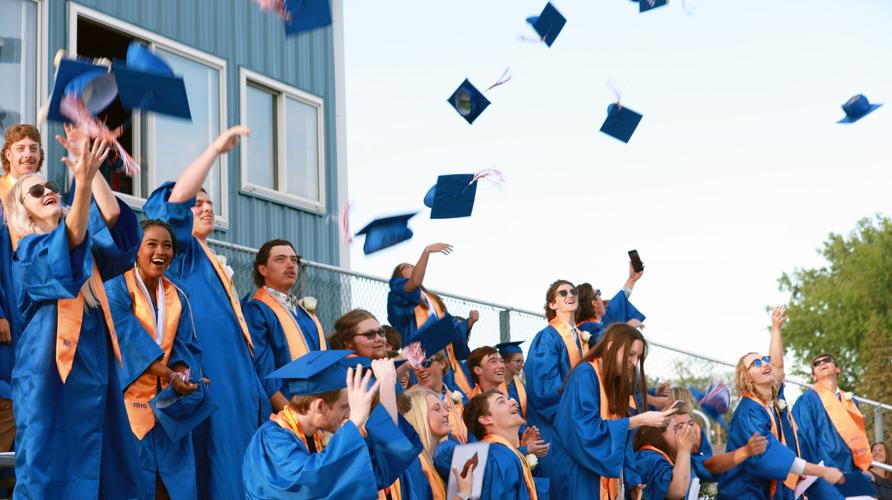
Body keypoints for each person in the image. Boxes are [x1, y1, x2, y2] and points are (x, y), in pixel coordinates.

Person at [8, 132, 144, 497]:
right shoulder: (28, 254)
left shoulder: (89, 248)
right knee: (48, 475)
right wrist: (81, 184)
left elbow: (113, 219)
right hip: (49, 380)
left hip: (97, 376)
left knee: (108, 474)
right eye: (36, 192)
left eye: (52, 186)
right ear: (24, 211)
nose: (48, 192)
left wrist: (89, 168)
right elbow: (68, 242)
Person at [143, 125, 265, 499]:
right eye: (198, 204)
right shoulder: (180, 254)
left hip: (240, 379)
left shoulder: (212, 259)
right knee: (219, 468)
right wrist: (214, 150)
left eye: (209, 203)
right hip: (209, 374)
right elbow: (177, 200)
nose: (206, 207)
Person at [106, 219, 204, 500]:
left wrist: (183, 375)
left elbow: (185, 345)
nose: (160, 251)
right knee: (131, 486)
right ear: (136, 249)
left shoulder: (178, 294)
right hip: (127, 406)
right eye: (151, 244)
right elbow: (129, 342)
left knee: (173, 488)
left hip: (168, 408)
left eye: (167, 246)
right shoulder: (117, 287)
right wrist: (171, 375)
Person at [243, 352, 419, 499]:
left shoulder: (319, 440)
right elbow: (308, 485)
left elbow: (378, 467)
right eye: (345, 406)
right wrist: (355, 422)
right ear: (320, 406)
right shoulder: (271, 440)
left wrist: (387, 387)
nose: (348, 414)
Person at [718, 307, 844, 499]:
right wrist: (822, 471)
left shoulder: (774, 399)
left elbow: (777, 367)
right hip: (745, 494)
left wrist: (776, 328)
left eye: (764, 359)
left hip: (771, 490)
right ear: (747, 377)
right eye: (756, 363)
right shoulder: (748, 412)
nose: (764, 363)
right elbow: (770, 455)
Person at [548, 324, 674, 499]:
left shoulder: (613, 383)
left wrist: (631, 480)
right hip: (578, 476)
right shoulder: (585, 375)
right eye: (630, 354)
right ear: (610, 346)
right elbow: (584, 431)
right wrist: (639, 420)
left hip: (600, 478)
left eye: (638, 357)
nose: (634, 362)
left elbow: (620, 441)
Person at [245, 239, 328, 413]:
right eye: (280, 259)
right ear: (262, 269)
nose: (290, 265)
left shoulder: (306, 314)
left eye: (294, 260)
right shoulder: (257, 310)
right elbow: (264, 373)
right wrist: (294, 417)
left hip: (318, 410)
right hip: (284, 414)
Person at [387, 243, 477, 396]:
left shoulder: (432, 299)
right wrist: (427, 251)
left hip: (443, 356)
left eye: (412, 265)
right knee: (425, 398)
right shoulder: (398, 295)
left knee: (448, 396)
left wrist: (468, 324)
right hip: (422, 357)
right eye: (406, 267)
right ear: (398, 276)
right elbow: (414, 282)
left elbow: (450, 326)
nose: (412, 266)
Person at [0, 124, 41, 455]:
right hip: (8, 307)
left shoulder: (48, 196)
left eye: (33, 148)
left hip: (36, 309)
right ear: (7, 154)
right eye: (21, 148)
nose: (28, 154)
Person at [633, 407, 768, 500]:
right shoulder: (647, 457)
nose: (685, 431)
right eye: (676, 428)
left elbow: (712, 464)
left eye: (691, 424)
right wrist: (684, 450)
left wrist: (745, 451)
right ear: (656, 434)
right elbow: (676, 491)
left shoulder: (683, 457)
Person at [524, 280, 586, 476]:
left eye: (573, 291)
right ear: (552, 304)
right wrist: (581, 409)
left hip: (579, 422)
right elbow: (544, 388)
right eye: (563, 293)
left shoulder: (582, 338)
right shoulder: (547, 338)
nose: (570, 295)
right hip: (555, 424)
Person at [792, 351, 873, 478]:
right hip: (822, 471)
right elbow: (801, 438)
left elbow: (858, 439)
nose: (822, 363)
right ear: (814, 377)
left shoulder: (852, 402)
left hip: (851, 471)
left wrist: (863, 468)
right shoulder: (806, 401)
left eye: (827, 360)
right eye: (817, 364)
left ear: (837, 369)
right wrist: (808, 471)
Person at [401, 387, 476, 500]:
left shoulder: (430, 459)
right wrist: (462, 495)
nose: (446, 413)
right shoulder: (413, 464)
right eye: (437, 409)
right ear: (418, 416)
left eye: (444, 408)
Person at [462, 390, 539, 499]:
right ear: (486, 419)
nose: (513, 402)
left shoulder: (494, 453)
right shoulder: (499, 458)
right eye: (501, 402)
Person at [574, 263, 646, 346]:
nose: (601, 297)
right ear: (594, 303)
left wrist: (632, 279)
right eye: (598, 293)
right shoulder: (584, 328)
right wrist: (626, 327)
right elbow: (601, 339)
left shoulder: (602, 320)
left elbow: (618, 304)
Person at [413, 350, 469, 444]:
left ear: (442, 364)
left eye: (426, 362)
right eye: (416, 365)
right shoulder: (410, 401)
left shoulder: (456, 396)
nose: (420, 369)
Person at [496, 341, 528, 418]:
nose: (522, 365)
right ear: (505, 362)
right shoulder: (494, 387)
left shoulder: (522, 387)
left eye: (522, 361)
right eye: (518, 361)